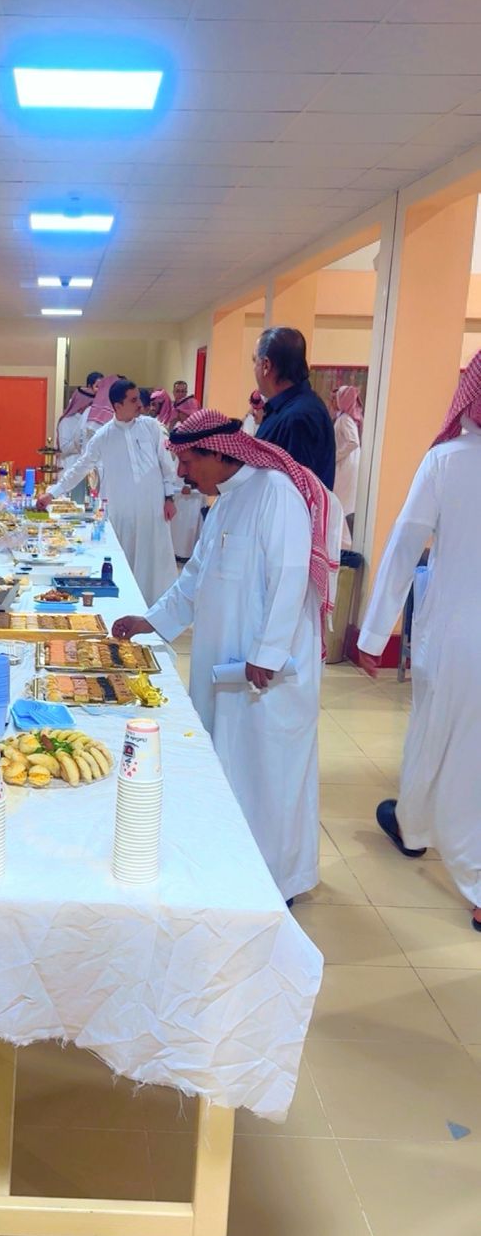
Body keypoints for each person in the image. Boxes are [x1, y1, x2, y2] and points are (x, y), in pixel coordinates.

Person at [113, 409, 342, 906]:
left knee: (269, 775)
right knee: (227, 767)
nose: (181, 473)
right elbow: (195, 578)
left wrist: (269, 652)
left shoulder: (276, 494)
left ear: (219, 452)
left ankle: (280, 882)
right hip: (227, 666)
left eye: (188, 461)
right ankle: (233, 869)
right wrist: (149, 620)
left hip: (267, 675)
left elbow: (290, 577)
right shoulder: (224, 503)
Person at [357, 354, 481, 931]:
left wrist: (373, 632)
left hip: (458, 634)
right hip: (457, 632)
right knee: (441, 739)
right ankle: (411, 824)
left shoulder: (448, 461)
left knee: (450, 743)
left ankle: (472, 875)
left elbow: (406, 543)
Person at [41, 378, 180, 605]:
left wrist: (169, 497)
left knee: (154, 562)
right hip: (121, 513)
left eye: (138, 398)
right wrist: (52, 494)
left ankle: (155, 608)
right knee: (125, 562)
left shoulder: (151, 427)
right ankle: (127, 605)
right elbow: (80, 468)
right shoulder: (103, 436)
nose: (139, 405)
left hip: (153, 510)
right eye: (133, 400)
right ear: (117, 405)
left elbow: (166, 464)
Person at [254, 326, 336, 490]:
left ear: (266, 365)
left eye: (254, 361)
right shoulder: (285, 409)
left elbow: (295, 492)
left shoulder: (298, 417)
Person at [331, 384, 363, 531]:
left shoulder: (345, 419)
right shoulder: (344, 418)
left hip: (345, 467)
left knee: (341, 504)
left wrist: (336, 456)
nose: (333, 401)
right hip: (346, 465)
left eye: (336, 398)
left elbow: (353, 442)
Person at [56, 371, 102, 461]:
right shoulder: (66, 421)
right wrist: (82, 441)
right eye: (89, 403)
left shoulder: (92, 420)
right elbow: (64, 448)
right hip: (69, 465)